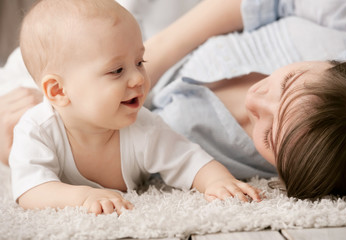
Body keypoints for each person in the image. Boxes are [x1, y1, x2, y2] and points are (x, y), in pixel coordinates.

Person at [9, 0, 261, 215]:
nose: (139, 78)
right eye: (117, 70)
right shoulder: (36, 129)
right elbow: (30, 189)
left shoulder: (144, 127)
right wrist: (82, 198)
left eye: (140, 61)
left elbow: (187, 158)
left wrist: (218, 180)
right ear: (58, 91)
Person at [143, 0, 346, 199]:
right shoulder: (342, 30)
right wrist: (153, 54)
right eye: (287, 83)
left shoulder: (218, 156)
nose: (254, 100)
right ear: (334, 63)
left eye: (268, 136)